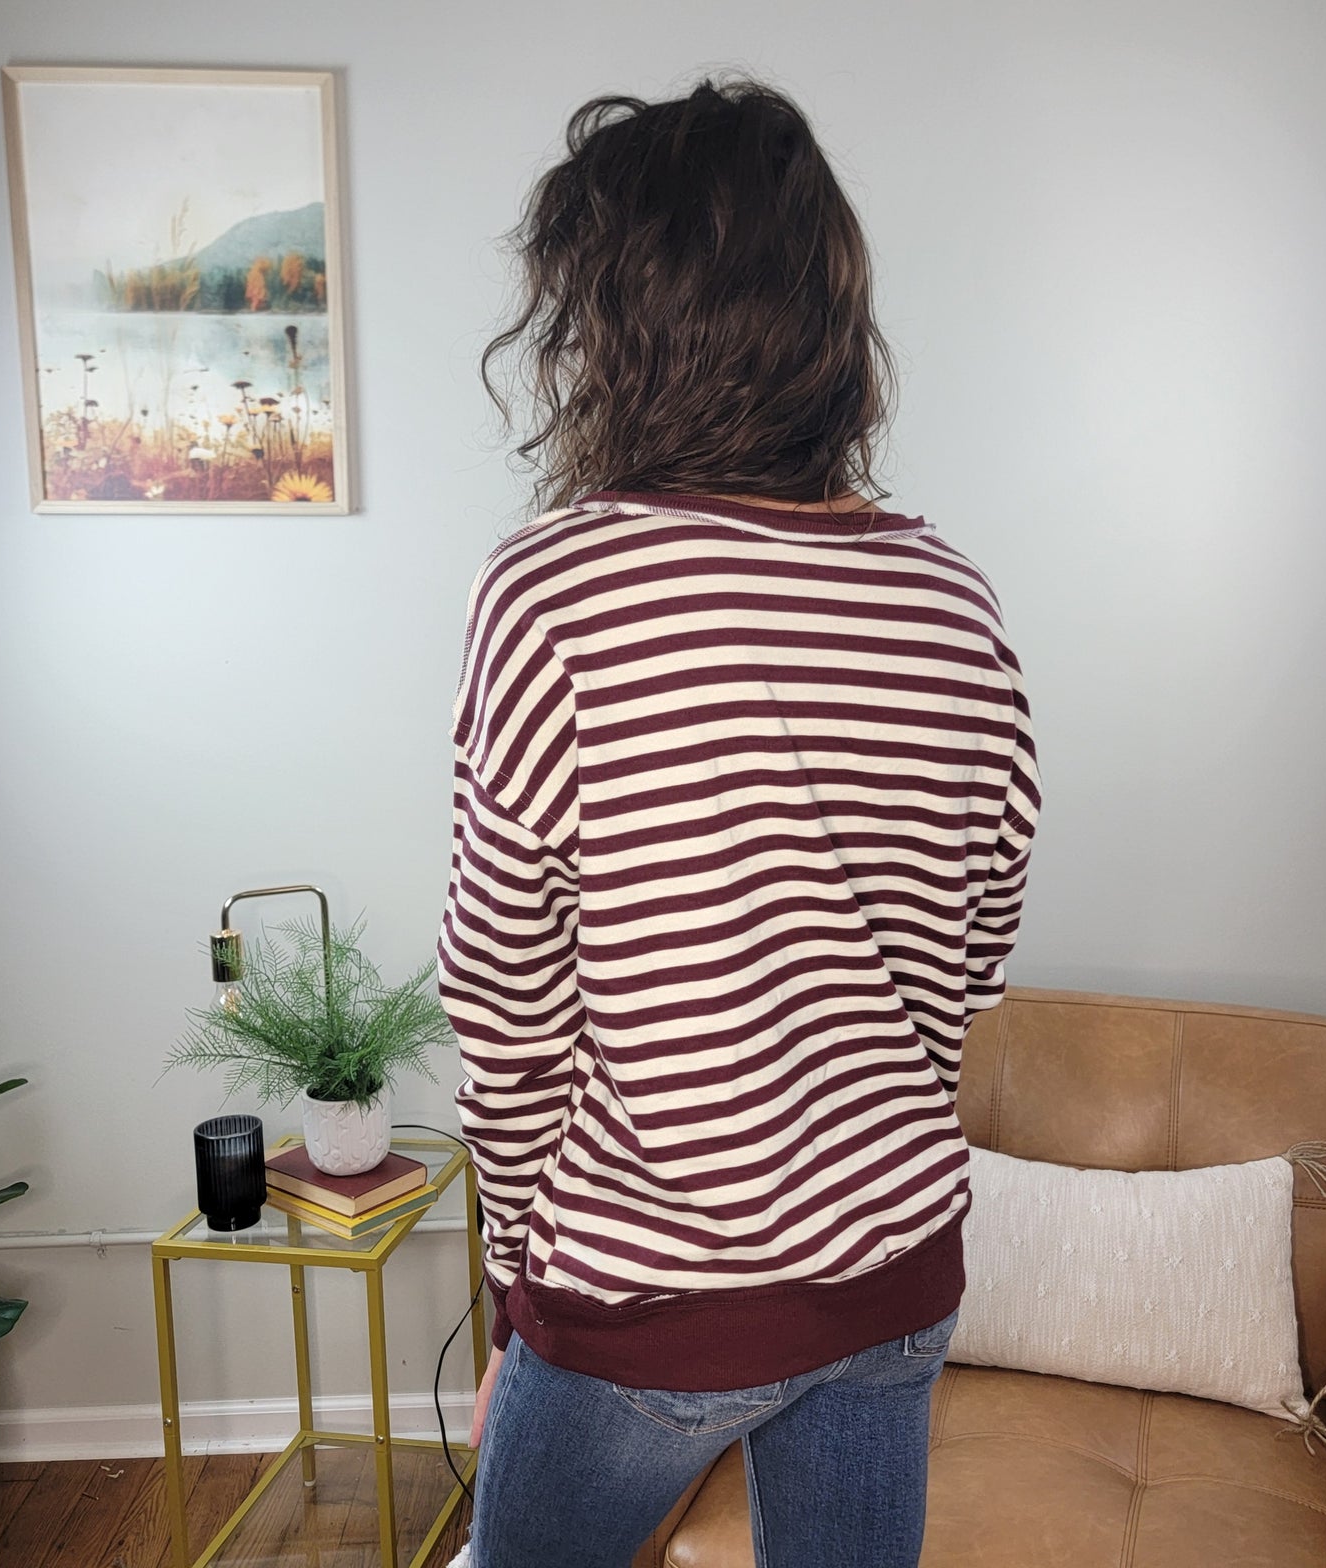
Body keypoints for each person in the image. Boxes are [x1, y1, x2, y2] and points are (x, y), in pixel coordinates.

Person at [435, 72, 1043, 1568]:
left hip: (641, 1304)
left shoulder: (560, 590)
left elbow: (503, 994)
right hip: (893, 1276)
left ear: (619, 324)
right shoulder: (953, 600)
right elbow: (976, 942)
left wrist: (521, 1283)